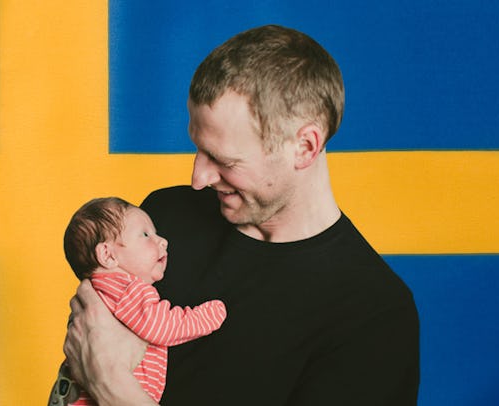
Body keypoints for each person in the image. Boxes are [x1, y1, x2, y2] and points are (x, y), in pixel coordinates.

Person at [64, 25, 419, 405]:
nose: (199, 178)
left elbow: (99, 368)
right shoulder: (162, 220)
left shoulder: (374, 314)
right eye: (198, 149)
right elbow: (74, 371)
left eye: (223, 160)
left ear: (305, 147)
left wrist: (111, 384)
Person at [51, 197, 227, 405]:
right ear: (107, 255)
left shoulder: (103, 290)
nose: (163, 241)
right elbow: (160, 326)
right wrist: (207, 316)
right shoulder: (125, 288)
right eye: (145, 235)